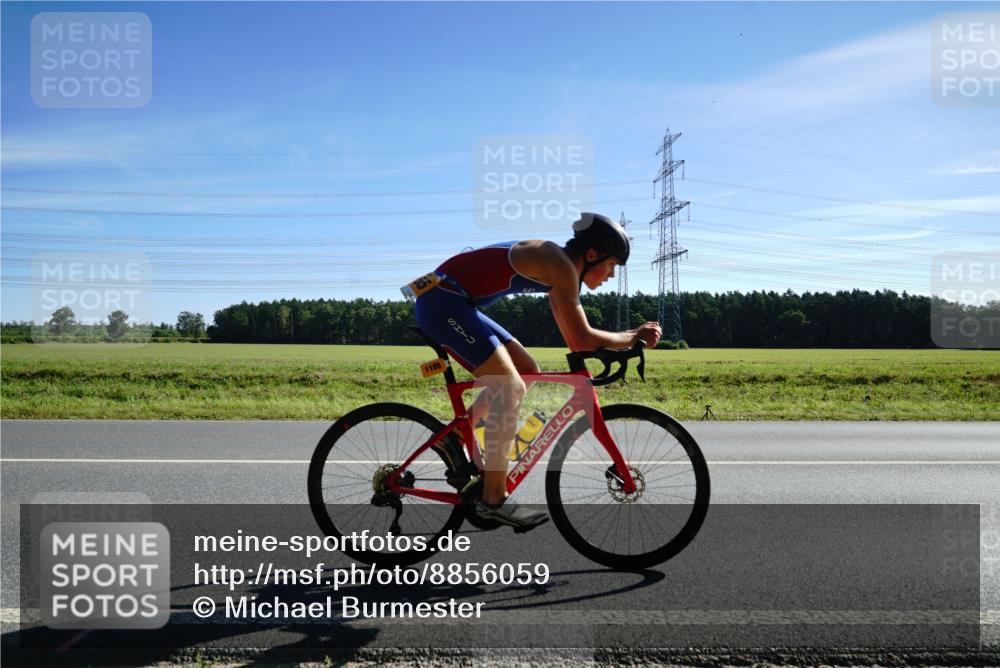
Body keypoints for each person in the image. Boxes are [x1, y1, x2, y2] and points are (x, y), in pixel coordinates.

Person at [411, 212, 662, 530]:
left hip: (452, 300)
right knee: (510, 386)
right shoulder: (558, 265)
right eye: (612, 265)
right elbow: (581, 338)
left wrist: (625, 340)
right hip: (443, 302)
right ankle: (493, 499)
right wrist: (632, 336)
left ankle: (456, 438)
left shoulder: (558, 267)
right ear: (592, 254)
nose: (612, 274)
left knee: (527, 370)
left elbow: (575, 341)